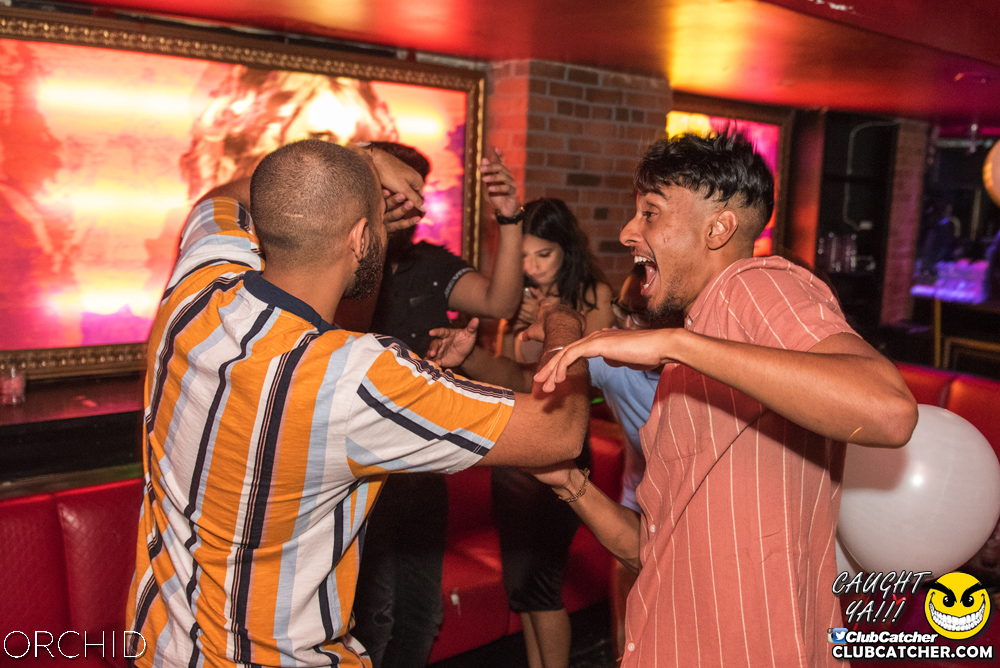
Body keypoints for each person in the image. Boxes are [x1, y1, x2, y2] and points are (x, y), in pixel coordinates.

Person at [125, 139, 592, 668]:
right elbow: (559, 433)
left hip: (161, 649)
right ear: (361, 237)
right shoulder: (350, 377)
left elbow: (220, 199)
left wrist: (361, 158)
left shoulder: (197, 288)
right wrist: (565, 325)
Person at [531, 131, 918, 667]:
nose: (627, 232)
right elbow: (657, 551)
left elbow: (888, 410)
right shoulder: (691, 360)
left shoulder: (754, 284)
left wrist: (673, 343)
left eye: (650, 213)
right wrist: (569, 483)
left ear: (718, 228)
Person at [350, 142, 524, 668]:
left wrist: (509, 217)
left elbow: (500, 302)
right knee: (372, 619)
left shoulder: (427, 264)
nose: (411, 204)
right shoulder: (344, 265)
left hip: (424, 470)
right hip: (365, 475)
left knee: (421, 617)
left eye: (416, 194)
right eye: (397, 191)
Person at [476, 198, 614, 668]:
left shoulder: (593, 294)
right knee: (521, 589)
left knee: (543, 586)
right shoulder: (514, 297)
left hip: (561, 449)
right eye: (523, 256)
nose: (532, 267)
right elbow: (510, 375)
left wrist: (549, 325)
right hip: (516, 450)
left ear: (566, 248)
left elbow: (583, 371)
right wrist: (519, 333)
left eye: (544, 254)